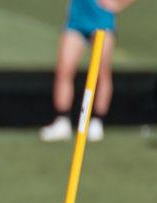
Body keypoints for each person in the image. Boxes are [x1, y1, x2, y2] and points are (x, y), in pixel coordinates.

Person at [40, 0, 137, 142]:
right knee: (64, 71)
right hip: (76, 20)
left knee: (102, 73)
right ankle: (62, 120)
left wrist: (118, 4)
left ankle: (97, 121)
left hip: (102, 20)